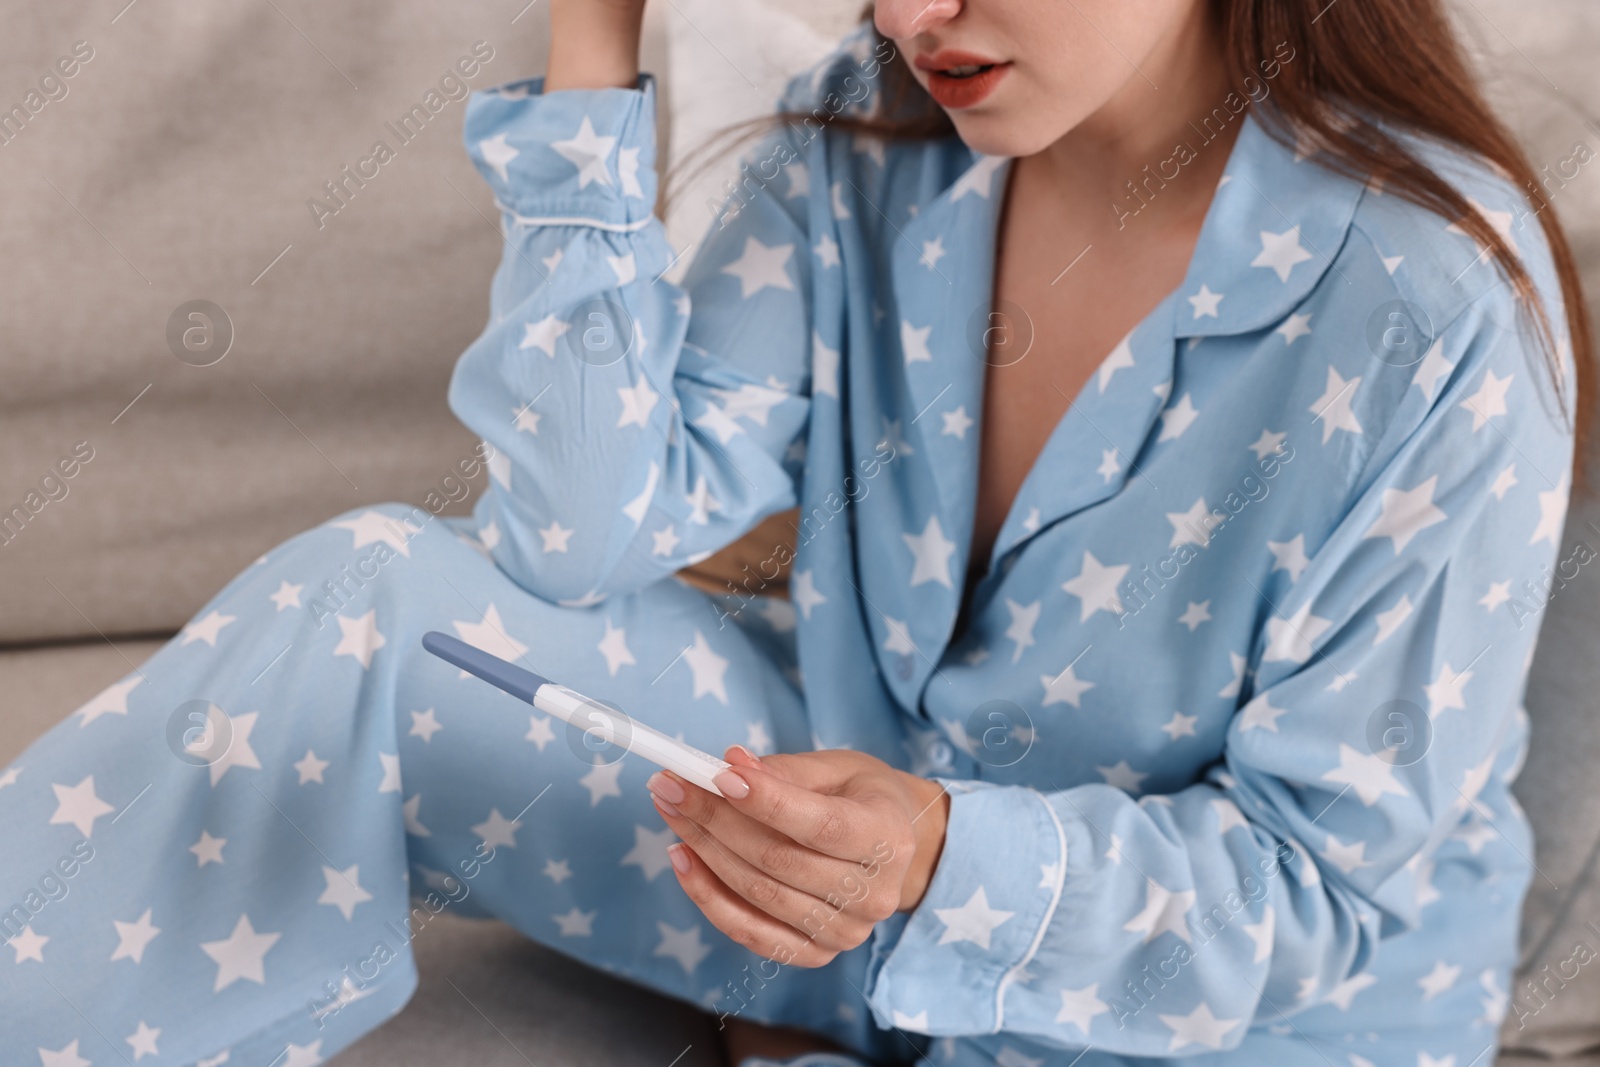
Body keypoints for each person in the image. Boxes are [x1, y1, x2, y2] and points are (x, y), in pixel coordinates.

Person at [1, 0, 1591, 1064]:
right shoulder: (871, 130)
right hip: (812, 875)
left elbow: (1326, 893)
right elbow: (575, 532)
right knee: (378, 600)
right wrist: (588, 50)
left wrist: (944, 857)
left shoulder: (1434, 301)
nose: (910, 8)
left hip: (1216, 1025)